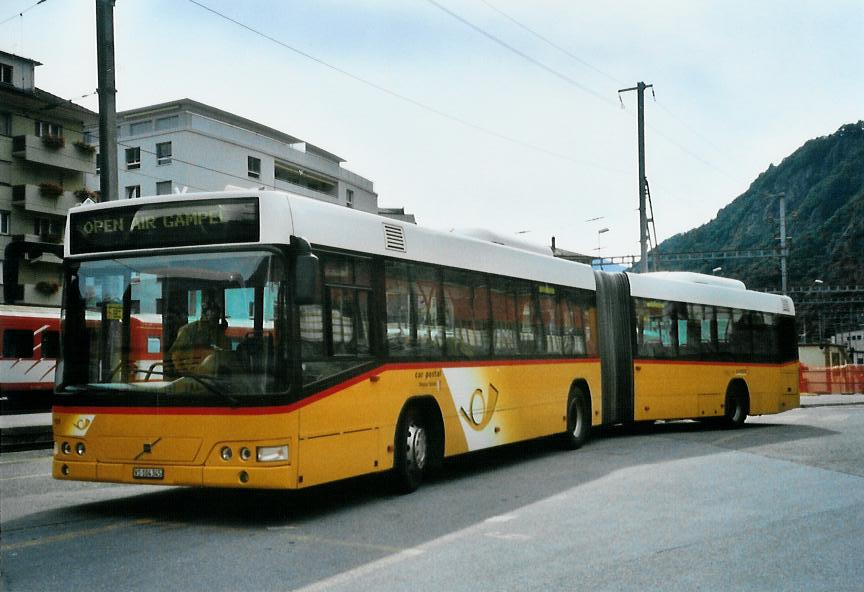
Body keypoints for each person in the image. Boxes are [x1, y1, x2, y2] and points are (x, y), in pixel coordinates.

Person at [170, 293, 230, 374]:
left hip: (217, 377)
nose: (213, 322)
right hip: (195, 377)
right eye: (210, 318)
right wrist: (186, 375)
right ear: (204, 315)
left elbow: (226, 355)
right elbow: (176, 356)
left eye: (216, 318)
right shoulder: (188, 330)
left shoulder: (219, 333)